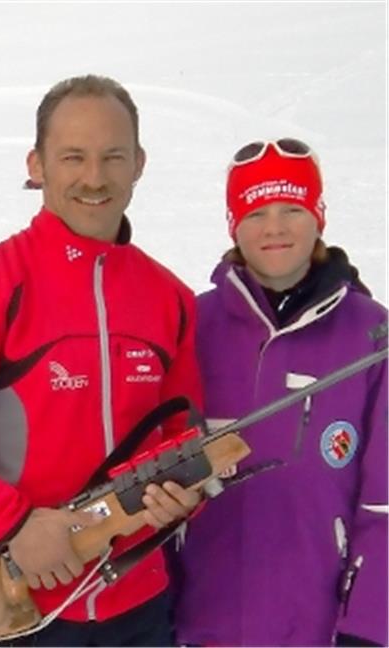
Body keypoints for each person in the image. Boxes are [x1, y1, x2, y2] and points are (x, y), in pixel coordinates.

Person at [0, 74, 204, 646]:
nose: (94, 178)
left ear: (139, 164)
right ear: (36, 164)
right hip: (22, 608)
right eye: (73, 157)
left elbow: (181, 433)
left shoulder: (168, 298)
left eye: (112, 156)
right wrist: (13, 521)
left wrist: (183, 497)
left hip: (139, 607)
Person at [172, 139, 387, 647]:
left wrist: (366, 628)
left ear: (319, 217)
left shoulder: (371, 335)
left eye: (292, 208)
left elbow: (383, 505)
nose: (275, 227)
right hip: (203, 624)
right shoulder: (192, 325)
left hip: (316, 626)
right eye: (257, 211)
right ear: (233, 224)